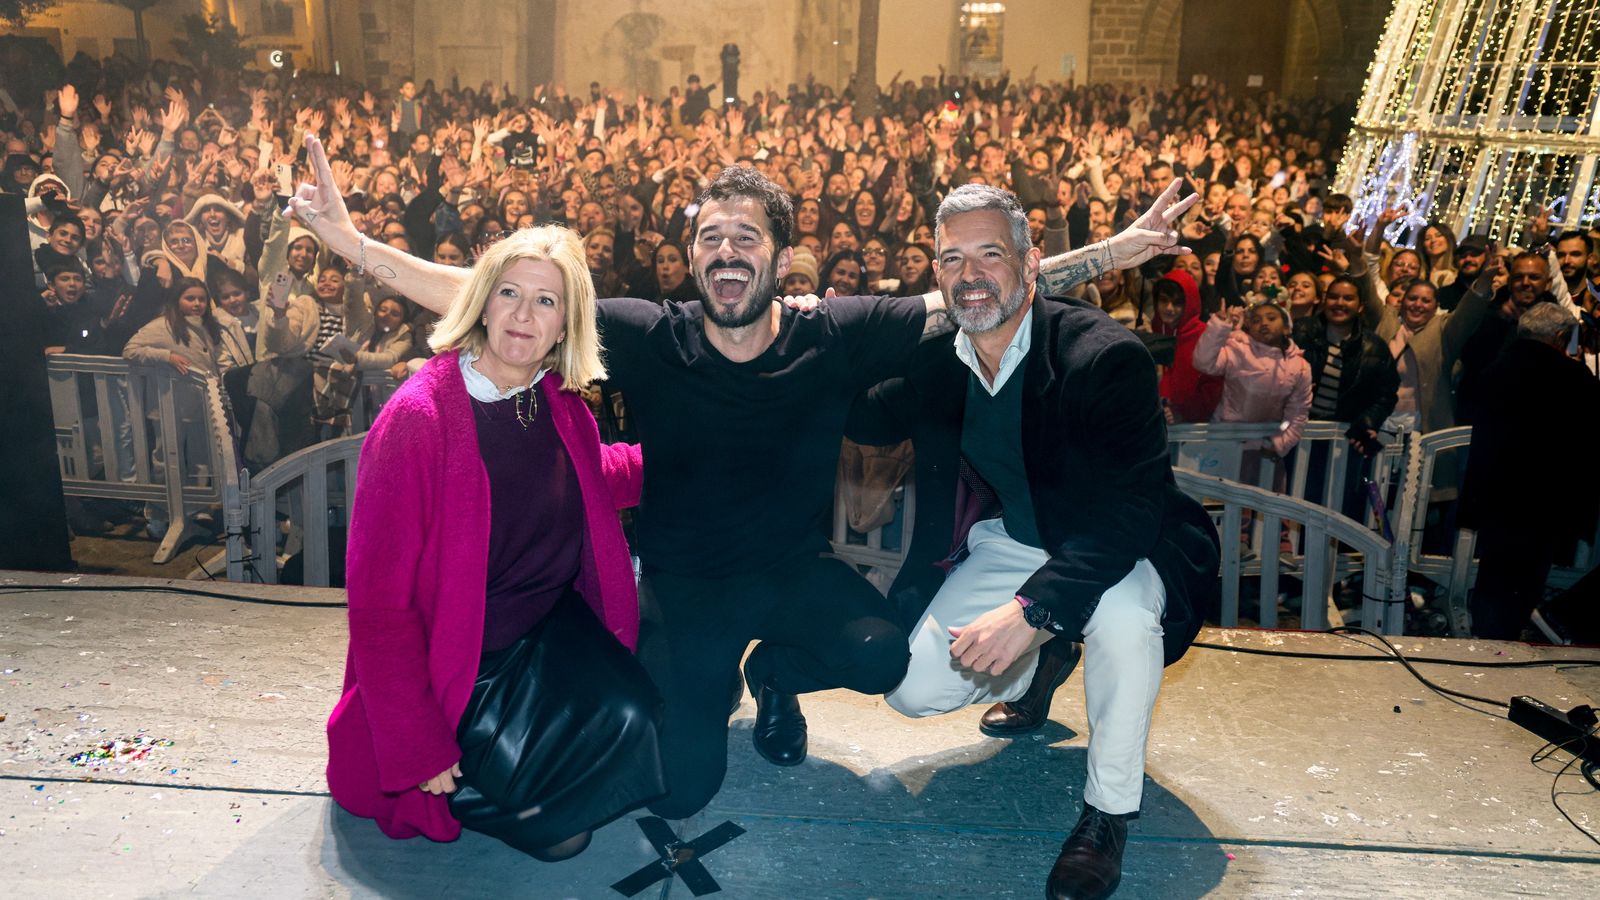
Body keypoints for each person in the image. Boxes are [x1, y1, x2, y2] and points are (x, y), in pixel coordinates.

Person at [290, 133, 1195, 829]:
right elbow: (488, 291)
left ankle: (775, 676)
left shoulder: (831, 331)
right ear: (695, 258)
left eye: (746, 237)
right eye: (711, 237)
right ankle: (715, 681)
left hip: (792, 574)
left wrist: (1115, 252)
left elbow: (972, 293)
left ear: (780, 258)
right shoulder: (650, 334)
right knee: (683, 793)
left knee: (882, 655)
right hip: (683, 588)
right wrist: (349, 241)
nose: (727, 251)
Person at [844, 184, 1218, 900]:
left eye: (990, 254)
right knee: (913, 690)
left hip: (1119, 545)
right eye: (953, 259)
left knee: (1122, 621)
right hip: (1019, 541)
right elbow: (864, 411)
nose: (971, 274)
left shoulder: (1103, 357)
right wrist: (825, 338)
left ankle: (1107, 814)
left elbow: (1130, 513)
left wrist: (1032, 611)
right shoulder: (942, 361)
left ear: (1031, 262)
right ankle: (1046, 660)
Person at [325, 225, 664, 861]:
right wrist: (418, 743)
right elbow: (378, 607)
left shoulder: (555, 399)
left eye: (545, 300)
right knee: (562, 838)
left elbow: (590, 472)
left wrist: (681, 458)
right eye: (509, 293)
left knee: (637, 717)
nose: (523, 314)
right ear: (481, 303)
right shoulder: (419, 418)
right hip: (459, 659)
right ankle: (448, 788)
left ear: (565, 325)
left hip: (542, 630)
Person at [1459, 303, 1600, 639]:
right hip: (1545, 501)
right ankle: (1508, 641)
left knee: (1493, 572)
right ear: (1560, 336)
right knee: (1527, 578)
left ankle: (1486, 640)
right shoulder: (1575, 378)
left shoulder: (1495, 370)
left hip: (1496, 495)